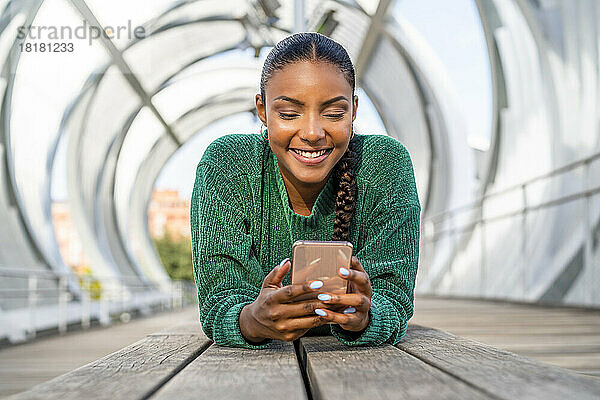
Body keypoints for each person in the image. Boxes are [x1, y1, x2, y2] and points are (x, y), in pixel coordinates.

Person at [190, 32, 420, 349]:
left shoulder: (385, 164)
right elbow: (219, 302)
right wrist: (252, 321)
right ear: (262, 109)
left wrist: (366, 317)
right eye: (288, 113)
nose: (312, 133)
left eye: (334, 113)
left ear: (353, 110)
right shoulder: (228, 164)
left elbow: (393, 298)